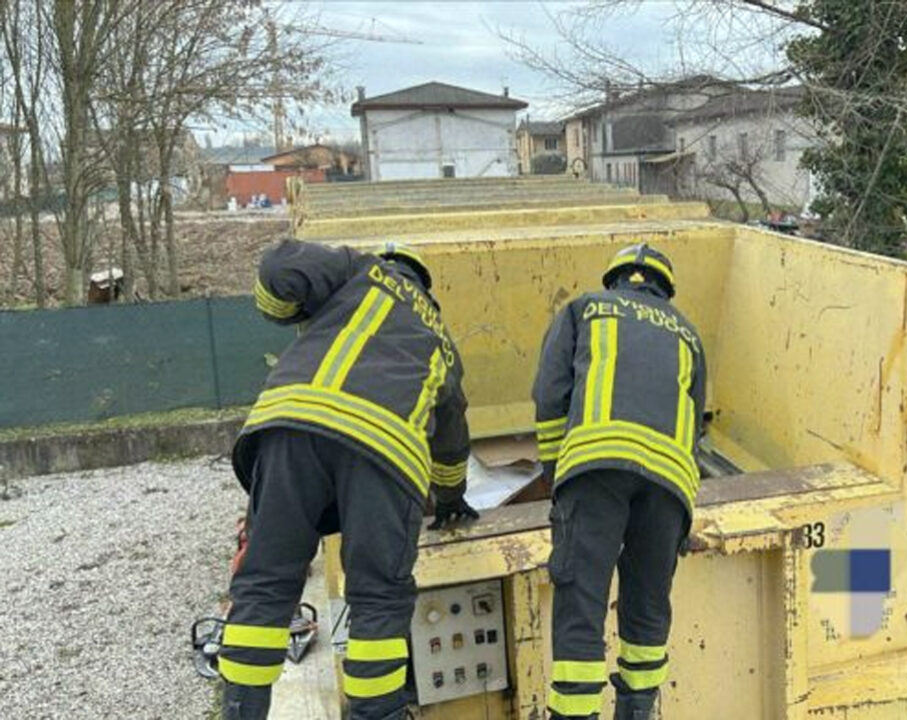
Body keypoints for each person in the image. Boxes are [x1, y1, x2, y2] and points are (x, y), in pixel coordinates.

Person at [220, 239, 479, 719]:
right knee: (378, 596)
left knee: (264, 582)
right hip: (384, 452)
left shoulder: (354, 271)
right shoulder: (440, 338)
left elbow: (278, 265)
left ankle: (239, 710)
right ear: (426, 286)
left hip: (289, 429)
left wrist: (285, 314)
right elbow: (451, 435)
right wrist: (450, 498)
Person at [532, 243, 707, 719]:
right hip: (669, 483)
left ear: (613, 279)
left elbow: (550, 396)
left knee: (582, 602)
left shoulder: (584, 308)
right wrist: (682, 513)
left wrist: (556, 477)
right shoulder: (688, 334)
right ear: (664, 289)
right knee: (648, 609)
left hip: (596, 469)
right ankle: (636, 711)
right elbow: (694, 426)